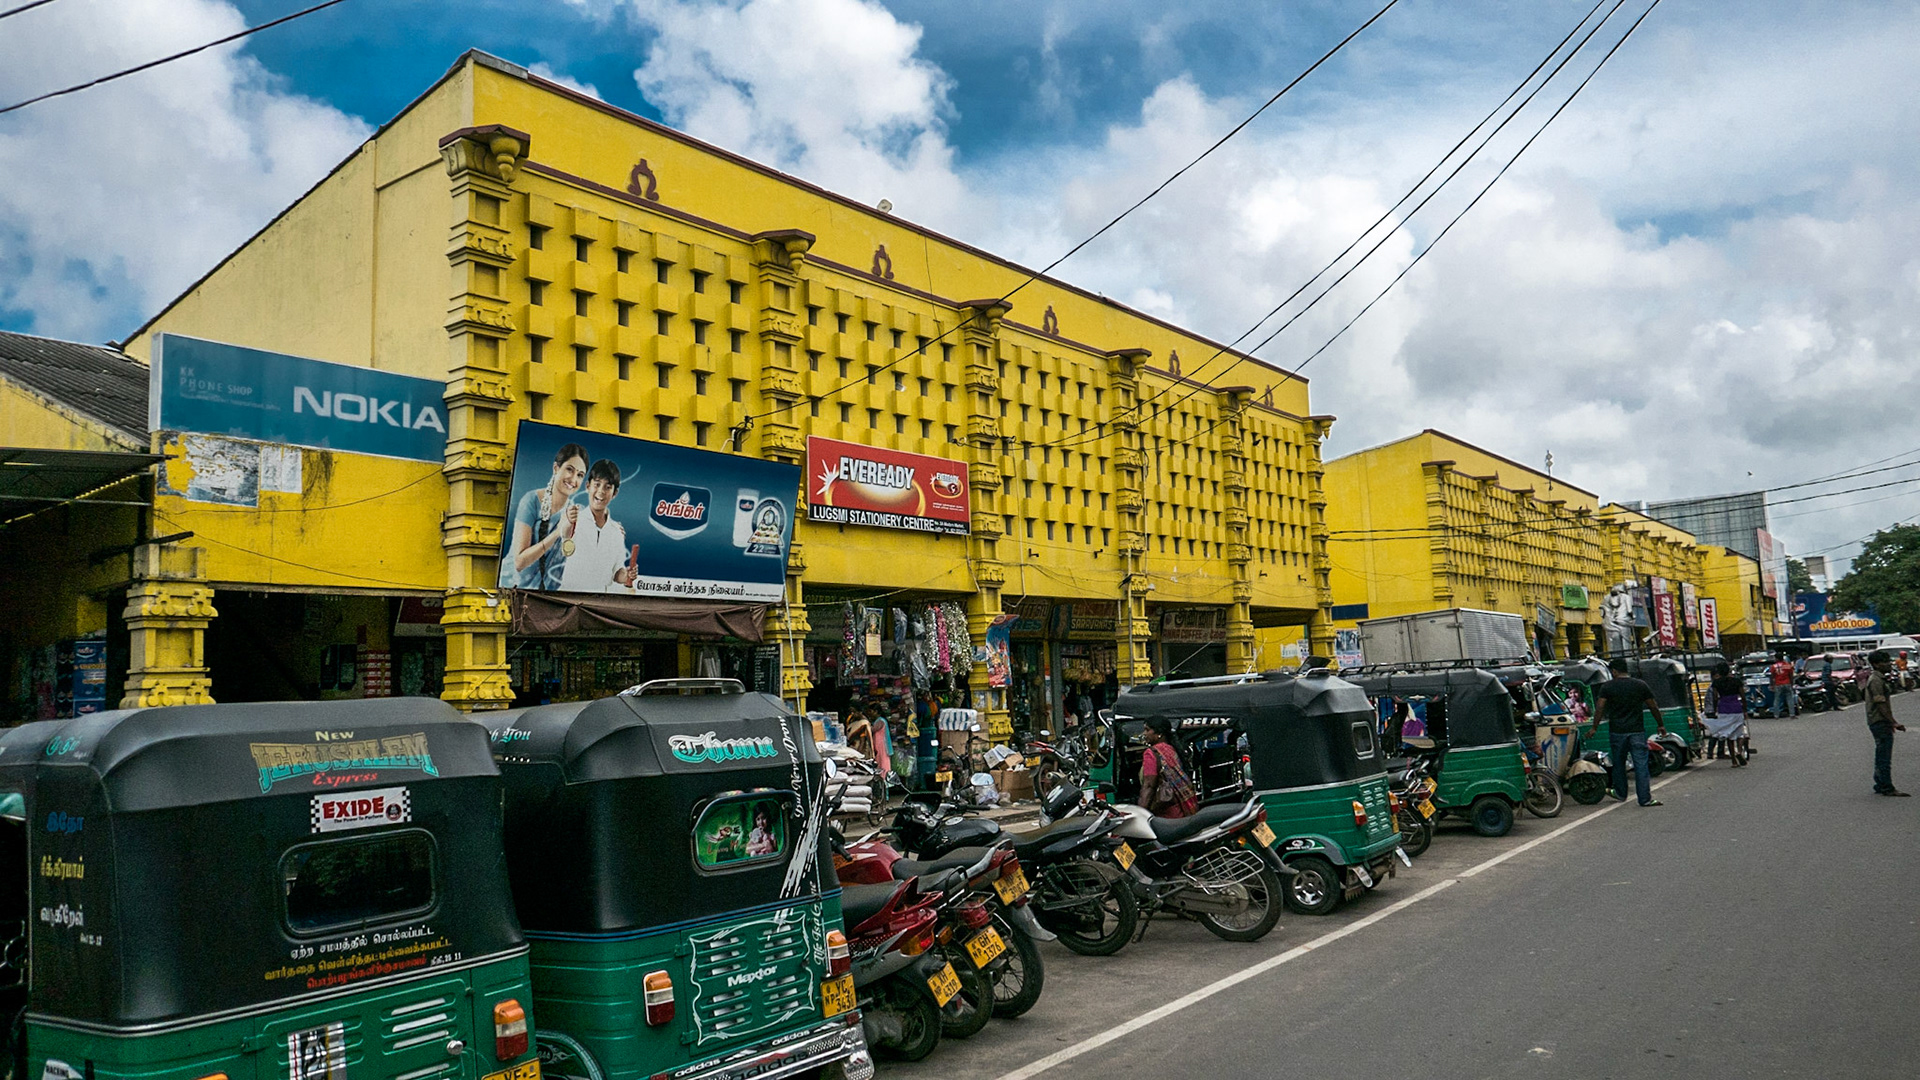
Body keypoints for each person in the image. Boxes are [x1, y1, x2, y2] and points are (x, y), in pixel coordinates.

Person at [502, 442, 589, 590]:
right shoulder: (531, 501)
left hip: (549, 599)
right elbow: (519, 562)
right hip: (511, 589)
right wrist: (557, 532)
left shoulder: (577, 513)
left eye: (580, 475)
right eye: (569, 470)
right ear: (556, 468)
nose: (573, 479)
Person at [557, 459, 638, 594]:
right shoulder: (574, 519)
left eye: (607, 487)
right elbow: (565, 533)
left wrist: (627, 576)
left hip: (598, 605)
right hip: (570, 600)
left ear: (614, 493)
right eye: (597, 484)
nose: (601, 492)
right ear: (588, 486)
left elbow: (616, 573)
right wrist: (570, 522)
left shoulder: (617, 531)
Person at [1594, 657, 1666, 806]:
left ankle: (1620, 793)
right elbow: (1653, 706)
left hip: (1617, 731)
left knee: (1619, 764)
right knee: (1641, 764)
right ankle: (1645, 799)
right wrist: (1660, 724)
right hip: (1637, 731)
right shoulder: (1640, 685)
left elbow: (1600, 707)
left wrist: (1594, 726)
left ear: (1614, 671)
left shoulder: (1607, 687)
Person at [1138, 716, 1200, 818]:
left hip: (1165, 814)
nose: (1144, 734)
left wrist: (1140, 813)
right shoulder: (1171, 749)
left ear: (1159, 733)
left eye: (1147, 730)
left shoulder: (1151, 753)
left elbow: (1149, 786)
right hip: (1181, 809)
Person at [1864, 650, 1908, 796]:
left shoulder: (1879, 678)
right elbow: (1881, 704)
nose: (1889, 664)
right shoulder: (1876, 680)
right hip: (1879, 721)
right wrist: (1893, 722)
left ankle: (1880, 782)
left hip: (1879, 721)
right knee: (1884, 755)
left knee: (1881, 753)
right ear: (1876, 664)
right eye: (1885, 662)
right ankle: (1887, 787)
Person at [1706, 661, 1749, 766]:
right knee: (1740, 732)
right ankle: (1739, 751)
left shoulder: (1716, 683)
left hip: (1723, 708)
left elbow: (1715, 697)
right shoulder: (1736, 681)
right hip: (1736, 707)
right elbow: (1743, 696)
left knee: (1729, 735)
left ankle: (1734, 760)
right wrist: (1744, 709)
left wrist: (1716, 709)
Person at [1768, 651, 1798, 717]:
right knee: (1789, 699)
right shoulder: (1787, 665)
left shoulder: (1773, 666)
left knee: (1777, 700)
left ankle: (1776, 715)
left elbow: (1772, 676)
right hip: (1787, 683)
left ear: (1777, 659)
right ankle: (1792, 714)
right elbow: (1791, 675)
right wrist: (1792, 683)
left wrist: (1772, 685)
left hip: (1778, 684)